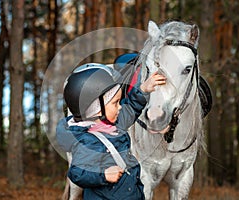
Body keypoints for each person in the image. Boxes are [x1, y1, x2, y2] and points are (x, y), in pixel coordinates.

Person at [56, 63, 166, 200]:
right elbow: (77, 173)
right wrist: (103, 175)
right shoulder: (87, 141)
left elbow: (131, 107)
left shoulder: (116, 124)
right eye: (115, 103)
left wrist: (143, 89)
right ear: (95, 108)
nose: (120, 107)